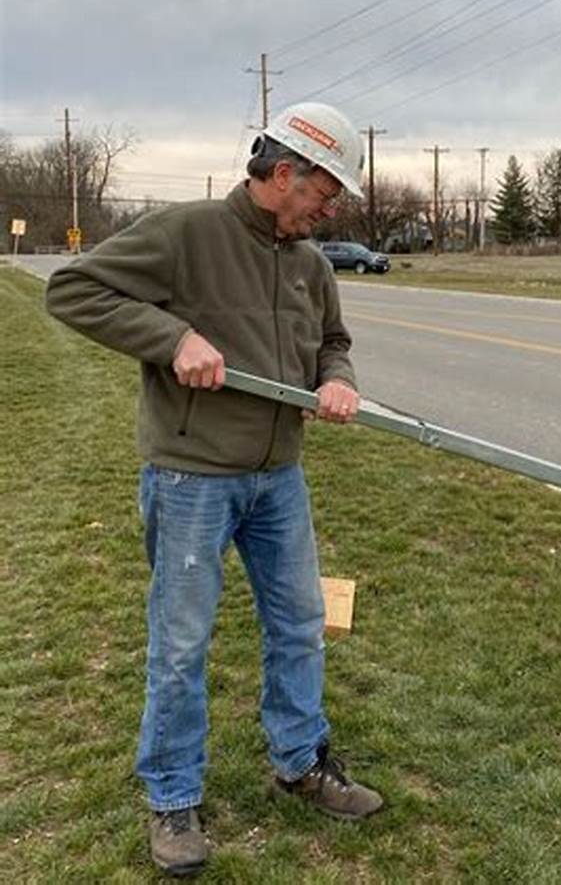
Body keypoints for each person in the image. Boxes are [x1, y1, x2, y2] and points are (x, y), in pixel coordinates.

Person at [45, 102, 384, 877]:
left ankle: (300, 763)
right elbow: (74, 291)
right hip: (190, 477)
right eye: (325, 193)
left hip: (279, 477)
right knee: (181, 643)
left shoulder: (311, 264)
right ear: (285, 172)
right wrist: (174, 339)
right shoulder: (186, 233)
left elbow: (333, 342)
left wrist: (336, 379)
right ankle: (173, 796)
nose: (329, 211)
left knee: (300, 623)